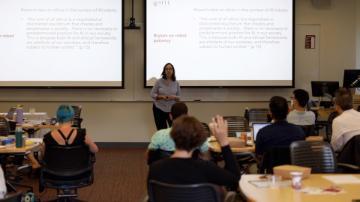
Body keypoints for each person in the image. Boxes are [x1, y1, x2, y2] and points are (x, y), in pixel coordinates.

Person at [148, 115, 240, 191]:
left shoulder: (155, 169)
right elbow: (235, 179)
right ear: (199, 140)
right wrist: (224, 142)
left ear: (172, 135)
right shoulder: (207, 169)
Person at [150, 63, 180, 130]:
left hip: (171, 110)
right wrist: (161, 97)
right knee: (161, 130)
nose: (168, 70)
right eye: (166, 69)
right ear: (164, 71)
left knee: (173, 130)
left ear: (173, 71)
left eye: (170, 69)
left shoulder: (176, 83)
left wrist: (174, 97)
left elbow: (179, 97)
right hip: (159, 109)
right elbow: (152, 94)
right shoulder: (159, 81)